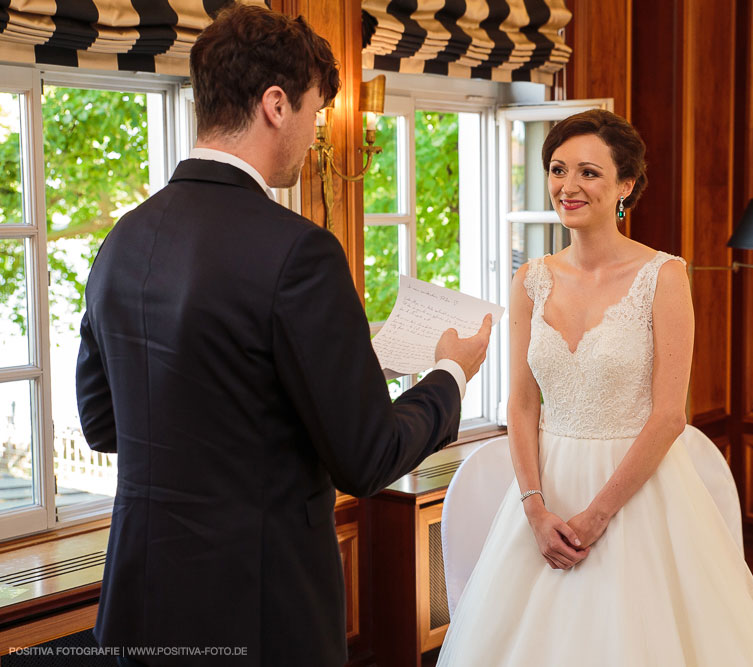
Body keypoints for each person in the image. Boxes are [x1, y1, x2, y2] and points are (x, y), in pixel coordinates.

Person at [75, 6, 491, 667]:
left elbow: (103, 422)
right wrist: (449, 373)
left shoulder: (122, 241)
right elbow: (367, 456)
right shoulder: (299, 253)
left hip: (138, 606)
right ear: (276, 104)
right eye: (315, 112)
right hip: (259, 617)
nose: (313, 133)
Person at [437, 109, 753, 665]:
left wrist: (598, 514)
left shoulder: (664, 276)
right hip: (545, 495)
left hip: (638, 496)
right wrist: (534, 508)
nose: (568, 186)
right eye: (557, 169)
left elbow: (671, 415)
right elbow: (523, 404)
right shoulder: (531, 280)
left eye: (588, 173)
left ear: (626, 185)